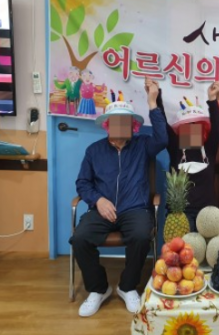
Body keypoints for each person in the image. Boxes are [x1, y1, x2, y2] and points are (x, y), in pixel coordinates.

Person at [71, 78, 168, 317]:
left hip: (135, 208)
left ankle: (127, 286)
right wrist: (98, 200)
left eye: (125, 122)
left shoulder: (143, 145)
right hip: (101, 210)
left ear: (133, 126)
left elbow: (163, 139)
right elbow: (83, 183)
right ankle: (98, 288)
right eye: (115, 122)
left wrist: (153, 102)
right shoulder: (94, 151)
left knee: (142, 234)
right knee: (80, 238)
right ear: (107, 125)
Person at [157, 82, 219, 230]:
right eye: (187, 126)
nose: (192, 130)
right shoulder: (175, 147)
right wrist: (157, 97)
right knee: (184, 242)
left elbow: (217, 128)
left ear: (202, 129)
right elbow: (162, 124)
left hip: (208, 212)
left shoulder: (209, 148)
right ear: (180, 130)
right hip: (181, 213)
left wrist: (212, 100)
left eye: (196, 126)